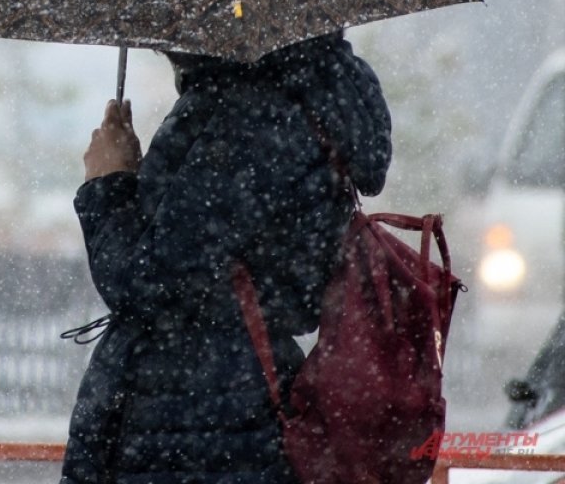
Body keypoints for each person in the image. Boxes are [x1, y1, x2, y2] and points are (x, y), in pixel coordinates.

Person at [60, 31, 392, 484]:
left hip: (197, 417)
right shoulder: (295, 98)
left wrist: (109, 183)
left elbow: (148, 282)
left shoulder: (250, 116)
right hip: (229, 404)